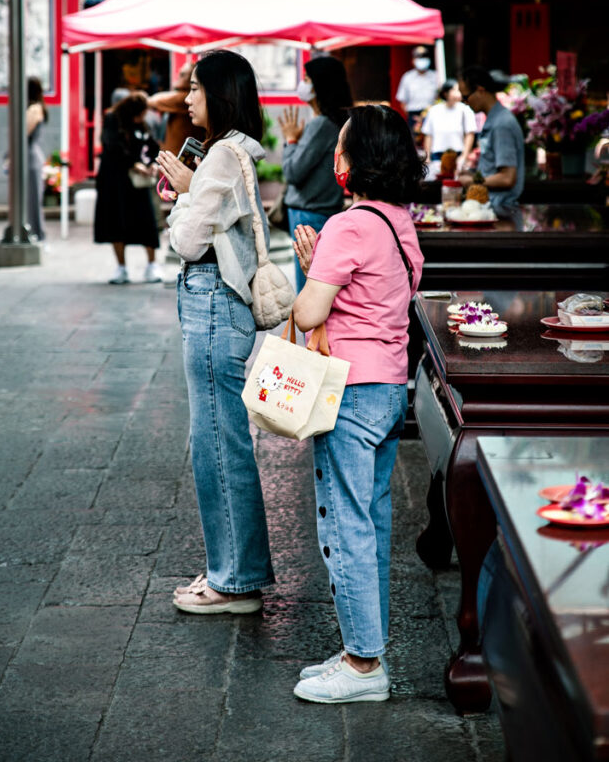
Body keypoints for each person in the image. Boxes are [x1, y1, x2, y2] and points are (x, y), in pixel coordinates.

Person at [290, 104, 424, 705]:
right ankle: (360, 648)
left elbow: (309, 312)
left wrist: (311, 267)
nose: (334, 157)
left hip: (349, 390)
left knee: (346, 525)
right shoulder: (399, 221)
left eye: (341, 147)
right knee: (371, 520)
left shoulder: (348, 225)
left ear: (354, 160)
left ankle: (365, 666)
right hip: (390, 388)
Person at [156, 49, 275, 614]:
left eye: (197, 89)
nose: (188, 99)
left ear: (221, 94)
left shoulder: (224, 156)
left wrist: (184, 192)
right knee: (221, 438)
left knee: (217, 443)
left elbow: (185, 241)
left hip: (210, 300)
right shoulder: (235, 154)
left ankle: (235, 581)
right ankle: (234, 572)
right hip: (220, 304)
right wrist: (189, 188)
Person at [278, 56, 351, 292]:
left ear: (320, 85)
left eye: (307, 79)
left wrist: (290, 140)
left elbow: (293, 172)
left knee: (309, 287)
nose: (303, 84)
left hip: (309, 214)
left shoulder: (320, 124)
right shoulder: (335, 122)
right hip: (322, 211)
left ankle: (310, 332)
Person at [94, 92, 162, 284]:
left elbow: (152, 146)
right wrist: (135, 164)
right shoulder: (112, 119)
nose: (142, 118)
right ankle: (121, 268)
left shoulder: (141, 124)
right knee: (116, 222)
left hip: (136, 181)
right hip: (114, 180)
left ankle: (152, 265)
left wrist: (153, 163)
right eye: (140, 114)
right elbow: (111, 146)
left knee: (146, 221)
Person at [457, 66, 525, 219]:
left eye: (466, 97)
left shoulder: (502, 124)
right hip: (492, 207)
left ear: (481, 90)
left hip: (500, 209)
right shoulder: (495, 120)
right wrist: (471, 173)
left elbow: (507, 178)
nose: (464, 102)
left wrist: (471, 181)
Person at [148, 62, 206, 155]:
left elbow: (152, 101)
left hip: (178, 154)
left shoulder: (183, 97)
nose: (179, 77)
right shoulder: (183, 96)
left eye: (183, 75)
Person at [422, 79, 477, 175]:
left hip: (458, 154)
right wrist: (427, 156)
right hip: (437, 156)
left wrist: (464, 156)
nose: (458, 93)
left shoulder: (465, 110)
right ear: (445, 93)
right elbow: (428, 135)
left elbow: (470, 134)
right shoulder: (434, 111)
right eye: (454, 90)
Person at [396, 46, 441, 134]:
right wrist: (414, 118)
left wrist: (427, 114)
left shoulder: (435, 76)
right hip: (413, 116)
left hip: (432, 114)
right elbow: (402, 101)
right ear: (413, 60)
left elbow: (439, 97)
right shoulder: (407, 77)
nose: (422, 59)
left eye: (424, 56)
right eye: (419, 57)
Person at [26, 77, 47, 244]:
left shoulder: (34, 109)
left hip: (30, 156)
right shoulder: (34, 108)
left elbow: (23, 131)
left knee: (33, 199)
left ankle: (38, 235)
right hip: (27, 155)